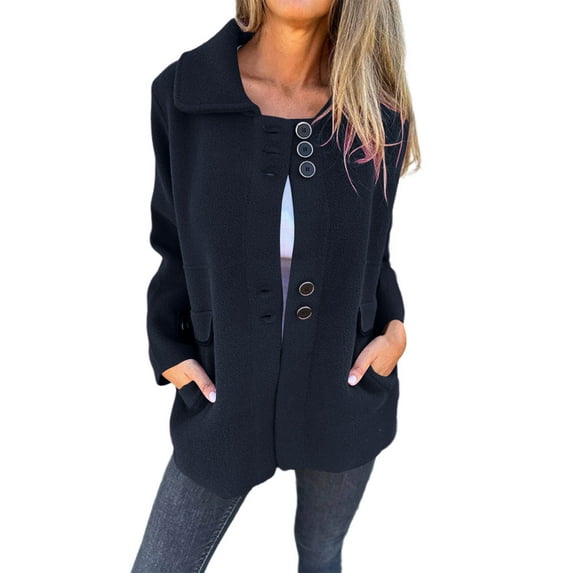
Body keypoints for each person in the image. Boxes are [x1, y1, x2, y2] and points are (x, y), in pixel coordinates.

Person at [132, 0, 420, 571]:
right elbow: (173, 241)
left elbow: (375, 252)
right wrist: (169, 351)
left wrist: (393, 333)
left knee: (321, 554)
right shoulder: (184, 94)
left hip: (343, 393)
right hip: (223, 394)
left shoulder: (376, 111)